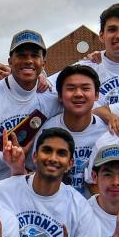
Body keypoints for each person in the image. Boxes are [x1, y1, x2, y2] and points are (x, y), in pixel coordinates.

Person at [0, 30, 61, 179]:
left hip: (33, 184)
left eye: (34, 55)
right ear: (10, 61)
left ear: (43, 63)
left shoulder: (51, 98)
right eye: (21, 55)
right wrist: (8, 156)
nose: (28, 60)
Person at [39, 63, 105, 191]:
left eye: (85, 88)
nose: (78, 94)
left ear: (96, 95)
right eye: (71, 88)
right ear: (60, 96)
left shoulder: (107, 132)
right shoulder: (45, 131)